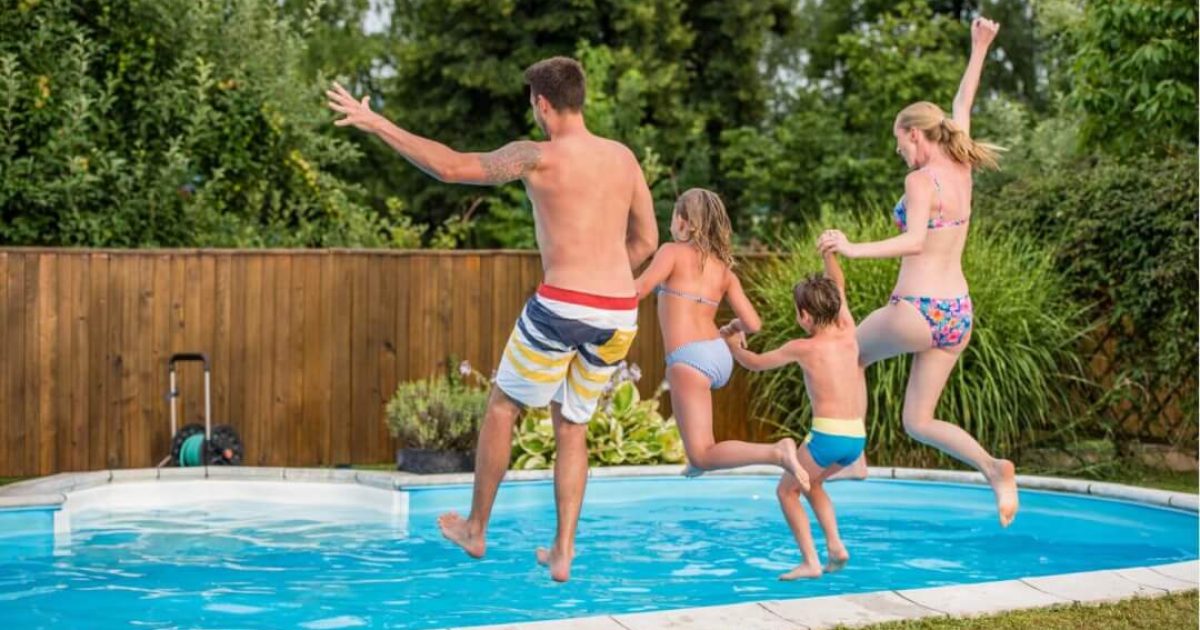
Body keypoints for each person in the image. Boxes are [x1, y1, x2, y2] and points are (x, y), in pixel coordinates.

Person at [327, 56, 659, 581]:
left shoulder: (535, 156)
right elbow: (646, 241)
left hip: (562, 306)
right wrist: (610, 281)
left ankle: (476, 529)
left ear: (542, 104)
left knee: (503, 407)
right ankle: (563, 551)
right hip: (618, 312)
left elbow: (452, 167)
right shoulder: (623, 159)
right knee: (572, 426)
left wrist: (379, 123)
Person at [817, 17, 1018, 527]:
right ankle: (994, 469)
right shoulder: (960, 157)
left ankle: (853, 458)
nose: (898, 150)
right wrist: (980, 46)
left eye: (899, 141)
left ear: (913, 134)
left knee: (845, 353)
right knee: (918, 420)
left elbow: (915, 240)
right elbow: (962, 103)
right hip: (957, 315)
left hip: (919, 309)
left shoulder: (921, 179)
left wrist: (851, 247)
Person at [633, 189, 805, 484]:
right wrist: (734, 328)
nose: (671, 224)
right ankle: (698, 460)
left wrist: (602, 282)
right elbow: (753, 323)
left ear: (685, 223)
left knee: (703, 453)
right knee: (699, 450)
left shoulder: (670, 252)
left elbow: (638, 290)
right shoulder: (723, 270)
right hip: (718, 354)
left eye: (674, 216)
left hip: (688, 359)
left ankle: (776, 452)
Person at [724, 249, 865, 579]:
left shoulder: (802, 348)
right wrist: (830, 254)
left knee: (786, 490)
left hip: (827, 437)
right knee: (811, 484)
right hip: (855, 437)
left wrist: (733, 346)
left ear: (804, 316)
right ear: (834, 306)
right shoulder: (849, 331)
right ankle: (835, 546)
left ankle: (810, 562)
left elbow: (756, 364)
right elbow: (838, 285)